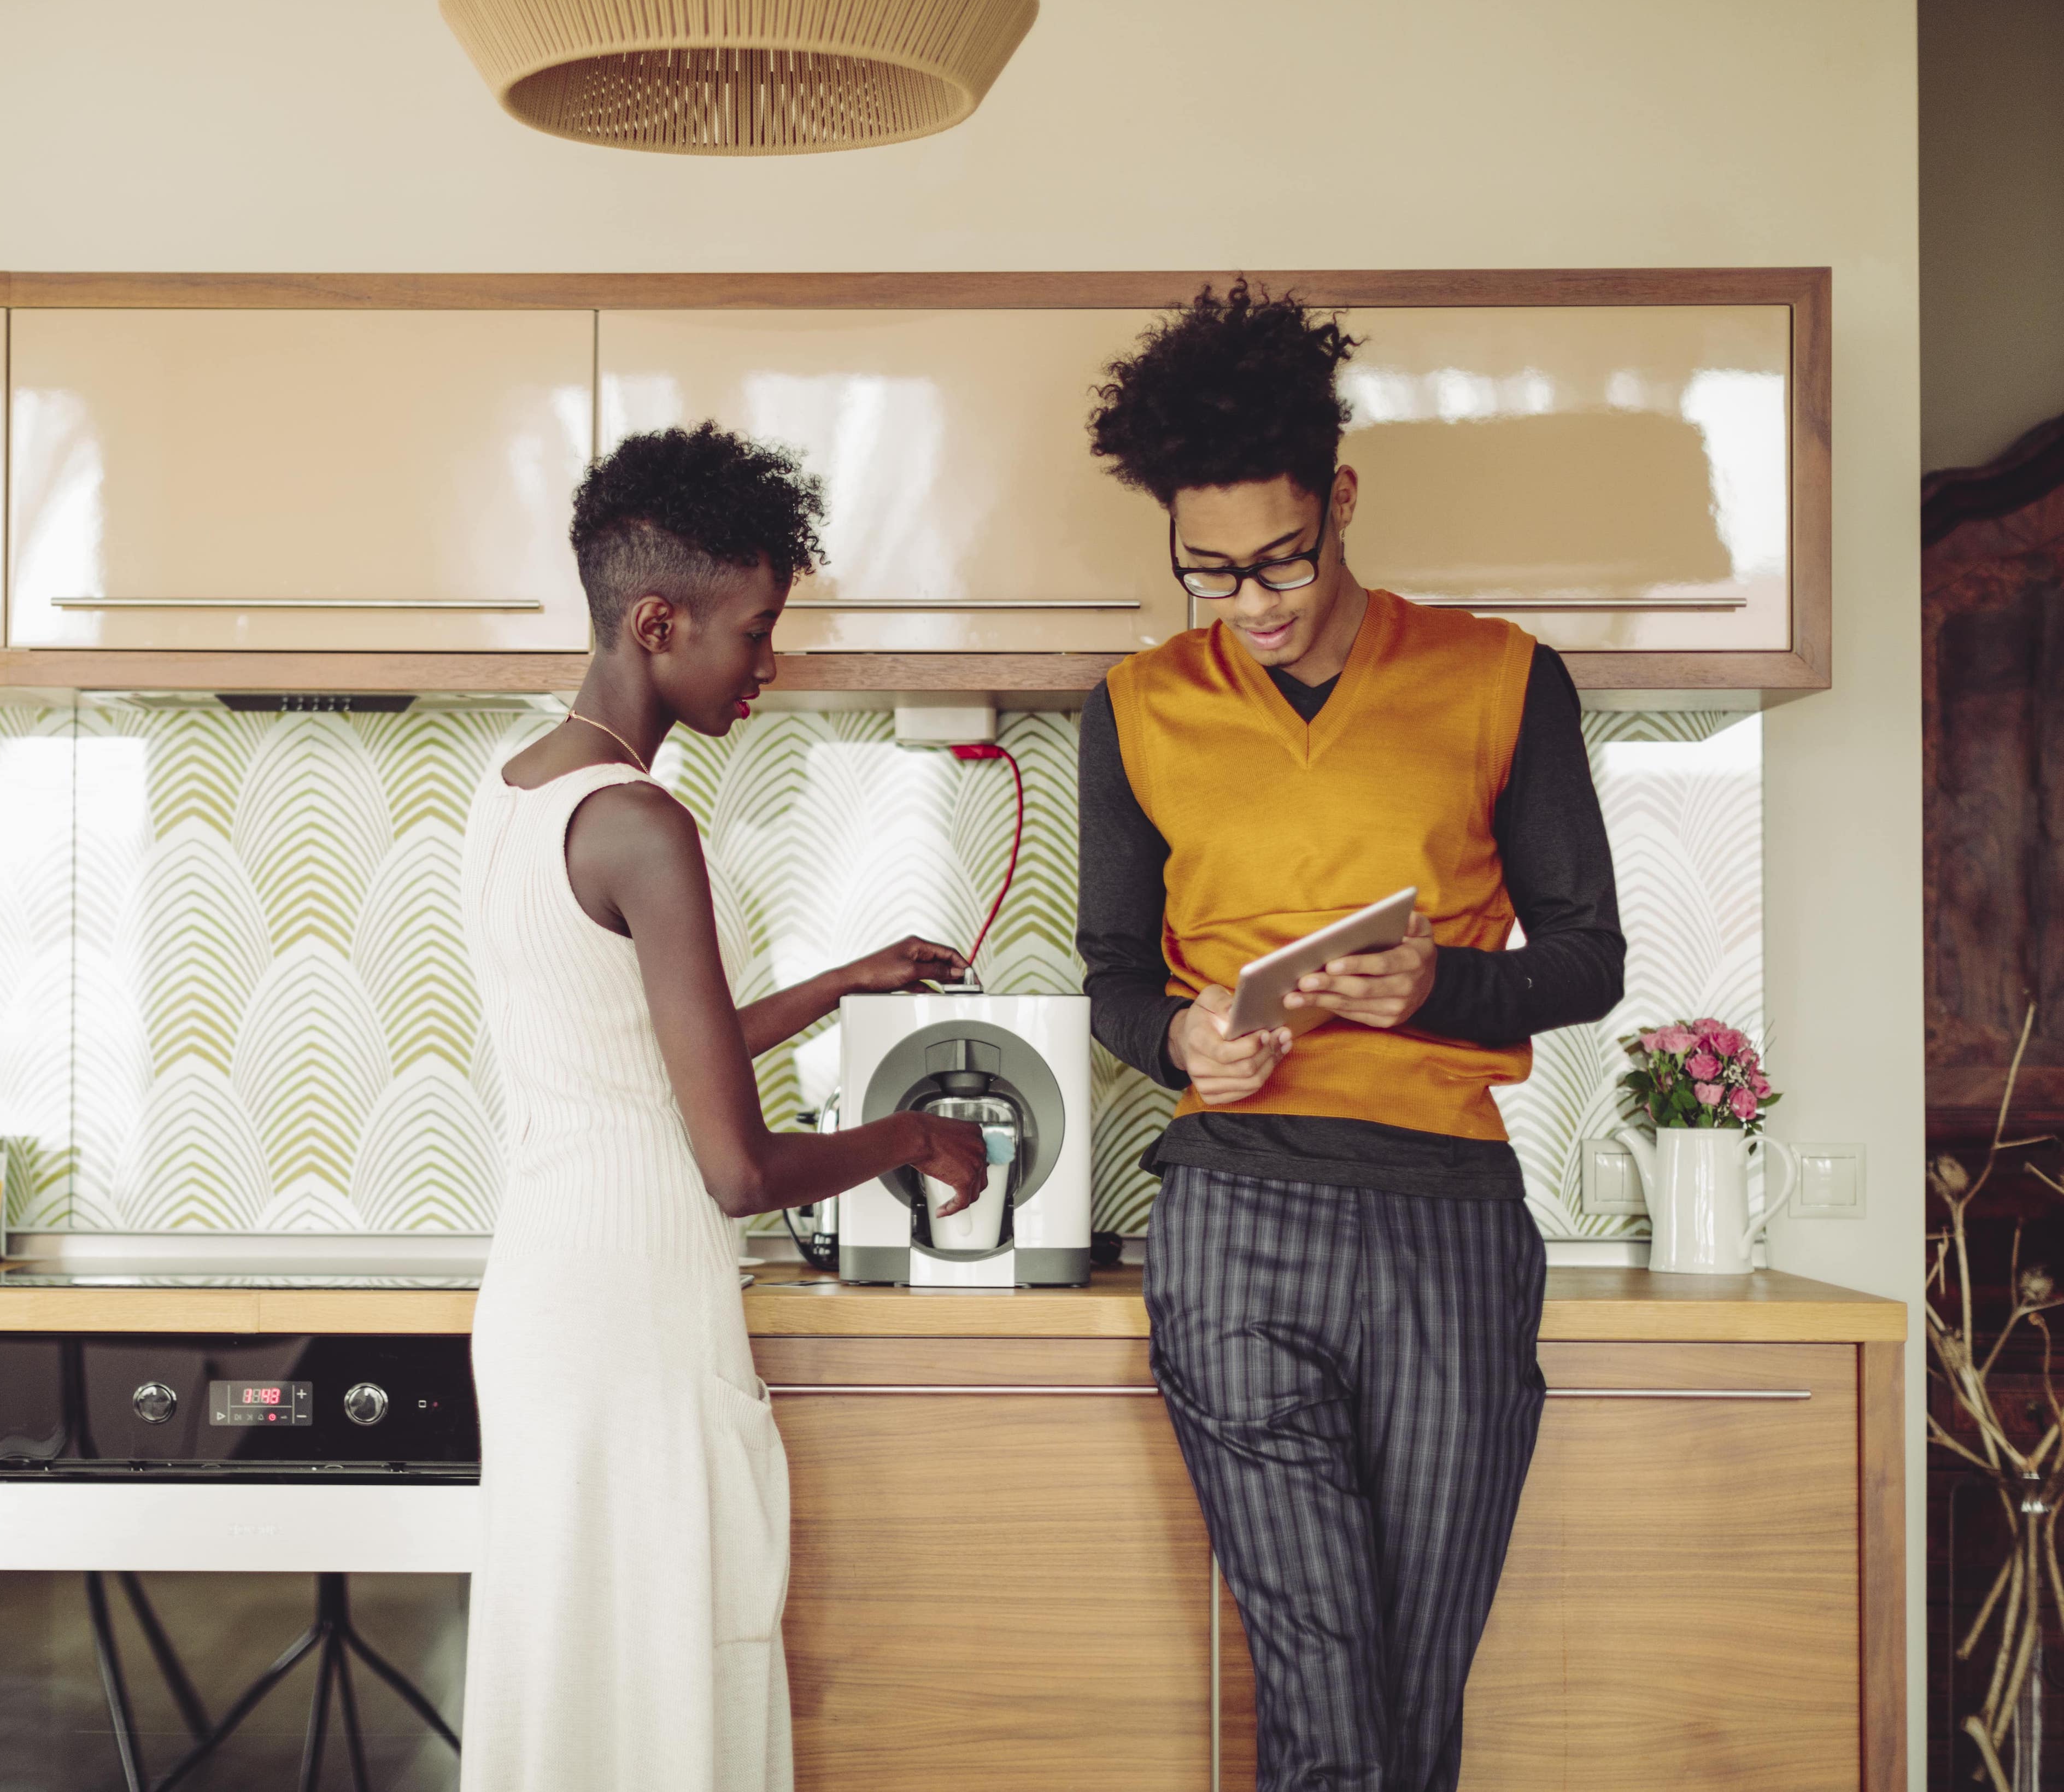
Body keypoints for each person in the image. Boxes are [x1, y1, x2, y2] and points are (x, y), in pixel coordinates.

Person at [1075, 284, 1626, 1791]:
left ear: (1342, 499)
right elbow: (1113, 973)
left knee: (1410, 1679)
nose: (1252, 600)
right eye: (1210, 571)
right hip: (1236, 1217)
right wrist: (1183, 1036)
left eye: (1282, 556)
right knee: (1322, 1681)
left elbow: (1589, 959)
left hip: (1447, 1223)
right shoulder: (1135, 706)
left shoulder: (1502, 674)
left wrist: (1435, 986)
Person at [457, 422, 994, 1792]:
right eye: (755, 632)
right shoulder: (643, 822)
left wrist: (839, 981)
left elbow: (631, 1052)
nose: (769, 664)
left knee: (574, 1664)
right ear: (657, 620)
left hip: (545, 1296)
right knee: (664, 1669)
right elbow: (738, 1164)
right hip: (632, 1307)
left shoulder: (513, 793)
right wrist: (913, 1137)